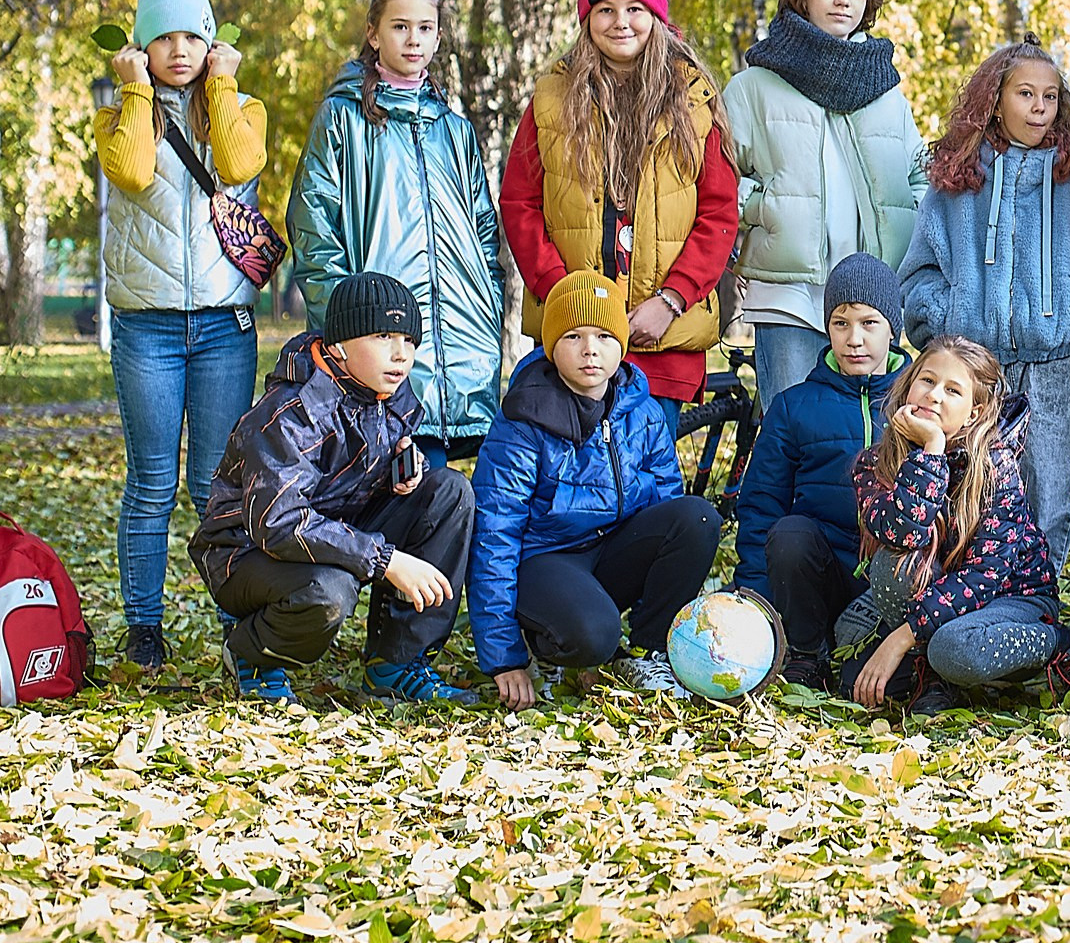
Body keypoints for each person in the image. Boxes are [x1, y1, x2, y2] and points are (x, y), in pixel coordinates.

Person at [189, 273, 477, 704]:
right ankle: (253, 652)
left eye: (409, 340)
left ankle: (395, 664)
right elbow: (280, 524)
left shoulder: (384, 388)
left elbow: (349, 470)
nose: (401, 354)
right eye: (382, 336)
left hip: (335, 527)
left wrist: (399, 472)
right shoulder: (292, 413)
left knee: (450, 493)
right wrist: (385, 559)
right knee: (329, 591)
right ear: (339, 344)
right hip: (247, 552)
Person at [96, 0, 270, 671]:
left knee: (214, 487)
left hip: (224, 328)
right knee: (150, 486)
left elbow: (237, 163)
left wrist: (222, 85)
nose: (178, 50)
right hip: (148, 328)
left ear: (211, 41)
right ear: (141, 45)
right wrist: (135, 90)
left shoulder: (243, 107)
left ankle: (237, 627)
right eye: (161, 37)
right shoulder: (119, 115)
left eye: (192, 36)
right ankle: (144, 630)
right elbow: (133, 172)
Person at [900, 40, 1070, 569]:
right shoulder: (957, 181)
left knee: (1048, 495)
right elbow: (918, 274)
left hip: (1052, 369)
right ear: (995, 100)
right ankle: (965, 602)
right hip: (972, 372)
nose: (1039, 107)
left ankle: (1039, 604)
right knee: (967, 496)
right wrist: (955, 317)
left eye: (1050, 96)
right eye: (1025, 93)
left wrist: (1068, 315)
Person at [468, 271, 725, 706]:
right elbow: (495, 534)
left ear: (621, 345)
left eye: (605, 336)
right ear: (552, 345)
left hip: (611, 550)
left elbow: (667, 506)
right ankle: (547, 644)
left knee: (696, 517)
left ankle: (648, 652)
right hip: (545, 559)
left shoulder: (641, 409)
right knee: (595, 636)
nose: (590, 349)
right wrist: (503, 657)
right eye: (574, 336)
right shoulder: (523, 421)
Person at [499, 0, 739, 407]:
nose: (620, 22)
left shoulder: (693, 100)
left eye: (635, 8)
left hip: (661, 341)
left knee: (648, 454)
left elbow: (719, 212)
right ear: (587, 19)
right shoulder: (551, 98)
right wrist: (564, 295)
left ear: (656, 16)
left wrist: (671, 300)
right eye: (606, 9)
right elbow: (520, 202)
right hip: (573, 341)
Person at [287, 0, 505, 462]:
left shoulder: (454, 130)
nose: (413, 40)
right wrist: (347, 325)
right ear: (374, 33)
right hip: (380, 345)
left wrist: (488, 307)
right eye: (400, 26)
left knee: (447, 492)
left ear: (438, 37)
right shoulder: (342, 119)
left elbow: (484, 232)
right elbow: (313, 227)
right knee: (393, 485)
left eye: (425, 28)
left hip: (463, 347)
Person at [839, 336, 1070, 711]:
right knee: (878, 590)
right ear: (908, 387)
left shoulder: (995, 466)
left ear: (974, 413)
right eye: (927, 381)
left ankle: (1064, 644)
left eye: (952, 390)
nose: (934, 395)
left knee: (955, 649)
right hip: (932, 600)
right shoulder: (875, 463)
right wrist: (931, 453)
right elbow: (903, 533)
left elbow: (985, 575)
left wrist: (902, 638)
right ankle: (932, 679)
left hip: (1009, 596)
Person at [722, 0, 931, 405]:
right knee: (795, 436)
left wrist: (907, 231)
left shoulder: (886, 91)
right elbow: (717, 178)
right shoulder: (754, 86)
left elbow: (920, 178)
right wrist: (762, 209)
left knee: (876, 440)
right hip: (789, 298)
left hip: (873, 302)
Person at [732, 255, 910, 690]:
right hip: (819, 577)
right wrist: (753, 603)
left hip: (891, 583)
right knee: (790, 533)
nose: (854, 339)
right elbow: (760, 507)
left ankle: (885, 652)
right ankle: (806, 653)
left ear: (892, 328)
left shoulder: (920, 402)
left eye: (869, 323)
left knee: (866, 684)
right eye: (840, 323)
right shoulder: (794, 406)